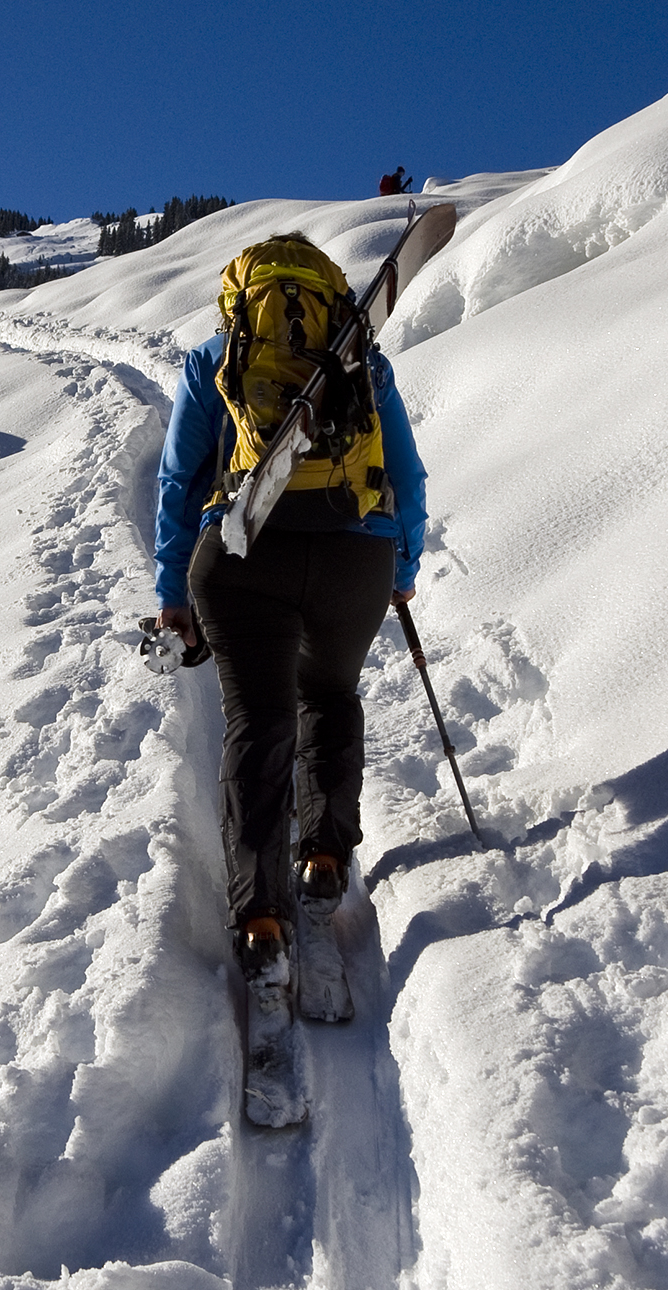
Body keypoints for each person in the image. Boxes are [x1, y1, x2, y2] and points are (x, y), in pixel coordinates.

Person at [153, 235, 428, 976]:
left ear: (241, 296)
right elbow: (406, 475)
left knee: (257, 720)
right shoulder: (363, 361)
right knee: (329, 696)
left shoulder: (214, 359)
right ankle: (325, 857)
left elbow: (180, 482)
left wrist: (172, 593)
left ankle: (261, 917)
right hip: (355, 554)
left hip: (243, 556)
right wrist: (401, 567)